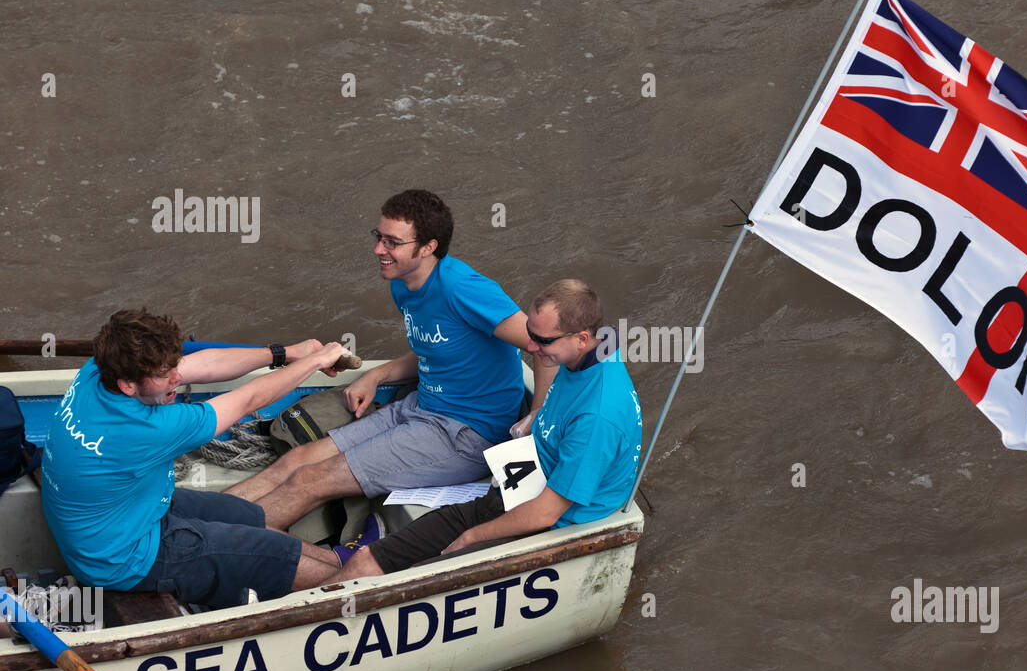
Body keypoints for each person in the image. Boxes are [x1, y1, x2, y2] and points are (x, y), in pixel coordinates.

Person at [226, 190, 555, 537]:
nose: (378, 250)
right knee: (295, 461)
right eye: (378, 237)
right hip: (419, 408)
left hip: (467, 434)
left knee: (311, 480)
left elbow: (543, 346)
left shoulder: (465, 288)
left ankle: (215, 550)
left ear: (427, 247)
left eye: (392, 242)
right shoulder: (403, 283)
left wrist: (536, 415)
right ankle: (182, 527)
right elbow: (440, 347)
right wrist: (377, 375)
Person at [327, 279, 642, 579]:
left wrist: (470, 538)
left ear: (582, 339)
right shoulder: (589, 355)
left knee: (374, 564)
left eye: (543, 341)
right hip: (522, 482)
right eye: (531, 333)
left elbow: (545, 514)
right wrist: (539, 415)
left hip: (547, 522)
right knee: (376, 557)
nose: (531, 347)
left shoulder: (597, 418)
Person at [40, 309, 349, 608]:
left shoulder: (98, 369)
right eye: (165, 375)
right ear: (128, 385)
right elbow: (249, 400)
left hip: (126, 515)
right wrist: (317, 361)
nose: (178, 377)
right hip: (125, 560)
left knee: (246, 517)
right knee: (277, 555)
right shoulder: (146, 428)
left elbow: (201, 365)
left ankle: (340, 560)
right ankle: (356, 585)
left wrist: (285, 354)